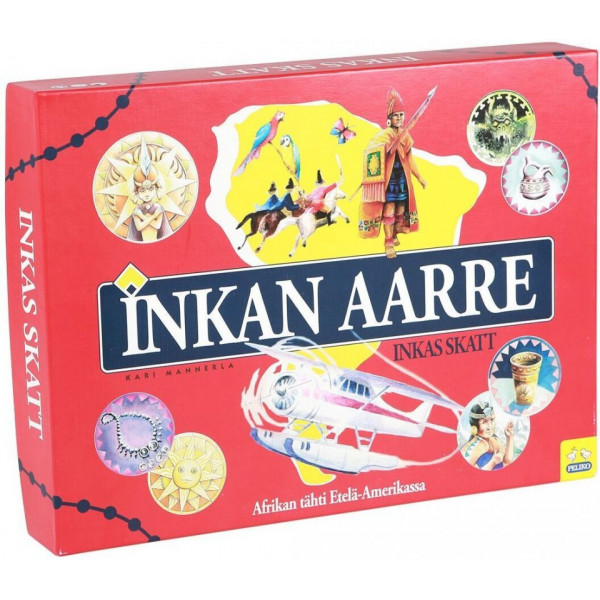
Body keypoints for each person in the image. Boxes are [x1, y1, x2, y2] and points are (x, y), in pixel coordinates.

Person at [359, 89, 427, 258]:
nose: (399, 118)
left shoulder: (405, 136)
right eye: (396, 115)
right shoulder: (383, 136)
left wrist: (419, 177)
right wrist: (386, 149)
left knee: (400, 209)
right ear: (389, 118)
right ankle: (388, 242)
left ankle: (395, 234)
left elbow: (409, 158)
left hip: (402, 179)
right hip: (388, 180)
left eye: (401, 115)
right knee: (389, 210)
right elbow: (371, 154)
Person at [128, 141, 172, 242]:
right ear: (136, 192)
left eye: (151, 189)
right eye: (142, 191)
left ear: (157, 188)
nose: (147, 194)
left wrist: (141, 216)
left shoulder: (158, 208)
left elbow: (157, 225)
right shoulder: (137, 210)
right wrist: (154, 216)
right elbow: (139, 227)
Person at [461, 401, 515, 470]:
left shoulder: (494, 440)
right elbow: (467, 472)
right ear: (475, 426)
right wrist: (492, 462)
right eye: (484, 422)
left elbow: (507, 463)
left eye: (492, 420)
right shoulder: (472, 448)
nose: (490, 427)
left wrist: (510, 437)